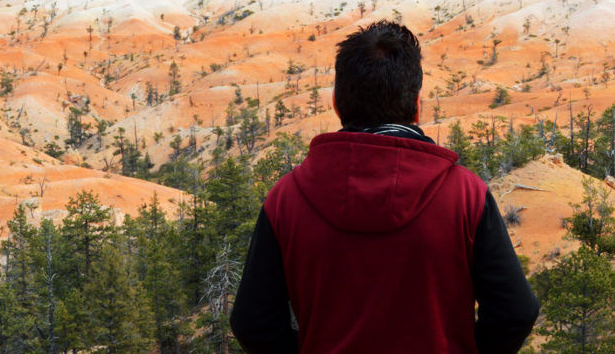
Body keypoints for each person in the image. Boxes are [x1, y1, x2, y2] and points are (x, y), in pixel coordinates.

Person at [230, 20, 539, 354]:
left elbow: (253, 322)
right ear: (417, 104)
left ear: (336, 104)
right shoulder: (465, 195)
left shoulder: (286, 200)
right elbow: (516, 312)